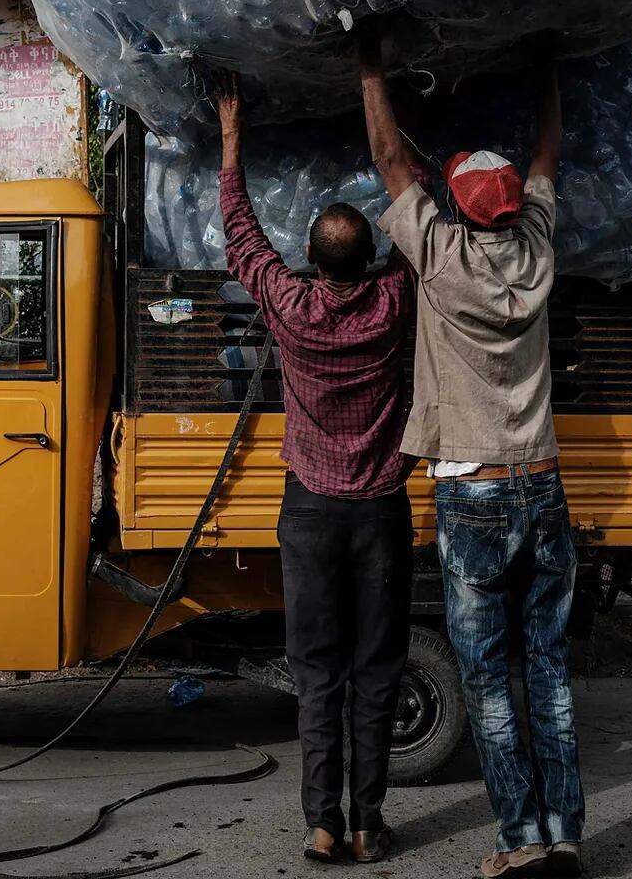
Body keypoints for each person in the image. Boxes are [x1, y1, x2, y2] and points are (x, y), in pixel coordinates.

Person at [358, 28, 582, 879]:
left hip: (475, 492)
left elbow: (387, 157)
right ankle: (564, 833)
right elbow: (551, 153)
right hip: (543, 484)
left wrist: (372, 65)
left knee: (487, 677)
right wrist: (549, 74)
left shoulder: (441, 256)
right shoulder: (539, 249)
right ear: (516, 205)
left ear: (454, 205)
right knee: (550, 670)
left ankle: (519, 844)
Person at [212, 72, 416, 866]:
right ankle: (369, 822)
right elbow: (419, 224)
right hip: (379, 513)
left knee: (318, 671)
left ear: (310, 260)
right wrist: (400, 117)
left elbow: (239, 233)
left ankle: (321, 824)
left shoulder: (289, 308)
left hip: (309, 512)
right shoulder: (392, 303)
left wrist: (233, 131)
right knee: (377, 668)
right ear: (370, 261)